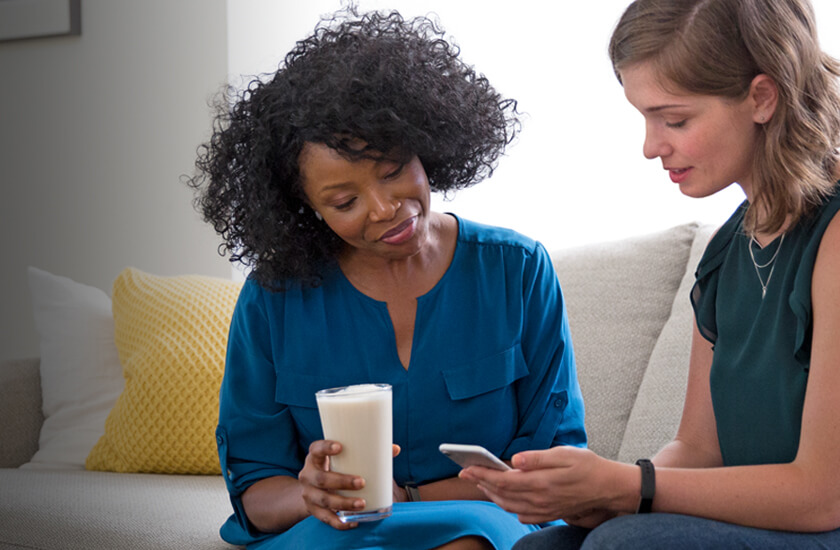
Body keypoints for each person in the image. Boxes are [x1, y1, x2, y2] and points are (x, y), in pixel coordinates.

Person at [457, 0, 840, 548]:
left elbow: (823, 495)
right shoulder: (727, 251)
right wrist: (597, 495)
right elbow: (698, 453)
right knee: (543, 545)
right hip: (765, 525)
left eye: (675, 119)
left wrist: (631, 488)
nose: (652, 147)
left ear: (761, 98)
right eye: (646, 119)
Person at [186, 9, 587, 550]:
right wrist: (311, 495)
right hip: (337, 535)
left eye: (394, 168)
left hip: (483, 521)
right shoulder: (274, 297)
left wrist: (408, 501)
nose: (385, 209)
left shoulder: (516, 269)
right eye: (345, 201)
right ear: (304, 209)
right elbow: (256, 489)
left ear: (425, 143)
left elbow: (551, 464)